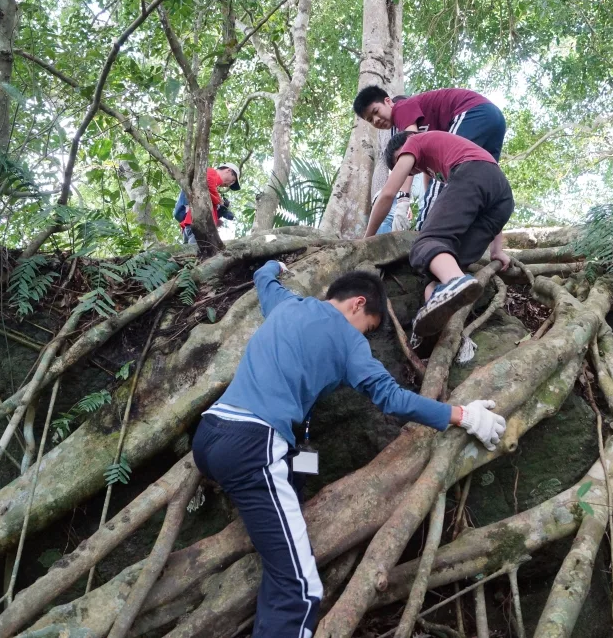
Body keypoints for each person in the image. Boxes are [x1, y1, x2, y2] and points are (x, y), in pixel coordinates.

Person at [191, 262, 506, 637]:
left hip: (209, 437)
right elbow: (390, 397)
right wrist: (460, 415)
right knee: (301, 589)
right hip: (253, 446)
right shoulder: (349, 339)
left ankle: (286, 506)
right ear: (358, 304)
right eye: (369, 328)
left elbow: (263, 278)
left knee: (294, 469)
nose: (366, 338)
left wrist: (275, 264)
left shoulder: (287, 304)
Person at [366, 130, 514, 340]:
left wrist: (367, 238)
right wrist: (497, 250)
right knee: (438, 266)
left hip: (473, 173)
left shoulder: (413, 141)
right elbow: (486, 191)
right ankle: (440, 333)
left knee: (425, 244)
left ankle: (455, 280)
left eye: (399, 161)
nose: (410, 171)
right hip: (503, 199)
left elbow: (388, 194)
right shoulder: (447, 165)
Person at [353, 86, 506, 230]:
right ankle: (492, 247)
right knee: (486, 179)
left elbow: (411, 149)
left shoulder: (401, 107)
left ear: (388, 101)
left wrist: (403, 200)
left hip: (472, 112)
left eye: (375, 111)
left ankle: (423, 233)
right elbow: (428, 161)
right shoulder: (422, 126)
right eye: (370, 120)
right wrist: (428, 195)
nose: (376, 120)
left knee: (452, 172)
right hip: (494, 118)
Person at [173, 163, 241, 244]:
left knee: (191, 254)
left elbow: (205, 205)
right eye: (233, 180)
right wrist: (220, 202)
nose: (230, 184)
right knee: (196, 253)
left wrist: (218, 215)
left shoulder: (212, 192)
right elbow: (207, 184)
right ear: (228, 171)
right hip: (197, 227)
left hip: (191, 226)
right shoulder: (211, 172)